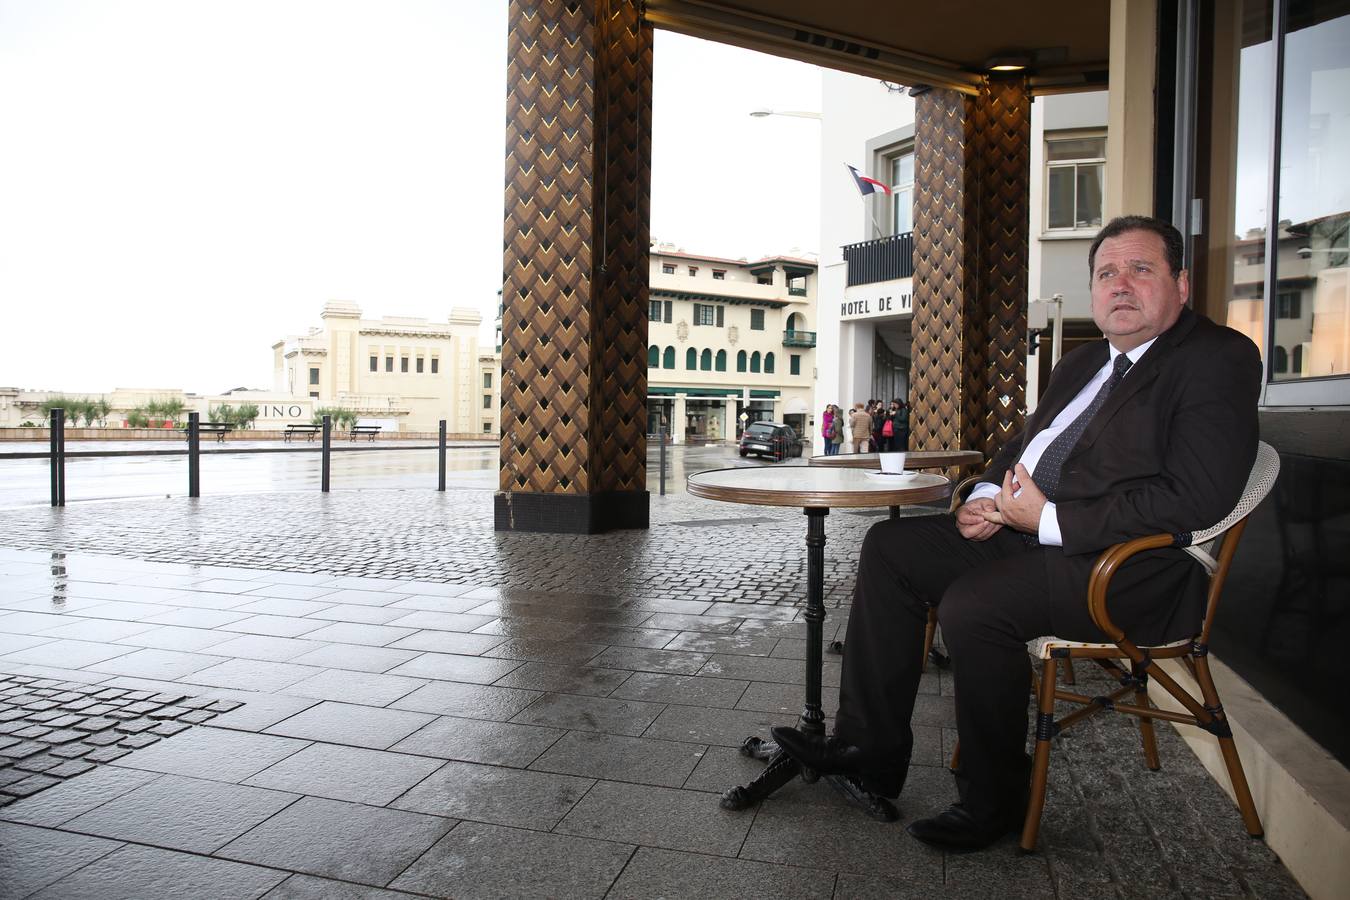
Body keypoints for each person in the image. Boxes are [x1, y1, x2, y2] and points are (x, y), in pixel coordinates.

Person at [771, 216, 1261, 852]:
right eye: (1107, 273)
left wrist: (1049, 521)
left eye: (1141, 270)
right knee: (891, 549)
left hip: (1126, 566)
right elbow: (1024, 446)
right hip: (1031, 536)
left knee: (973, 606)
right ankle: (869, 751)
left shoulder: (1217, 358)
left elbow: (1196, 496)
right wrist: (982, 496)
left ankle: (995, 797)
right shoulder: (1084, 360)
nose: (1121, 285)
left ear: (1182, 284)